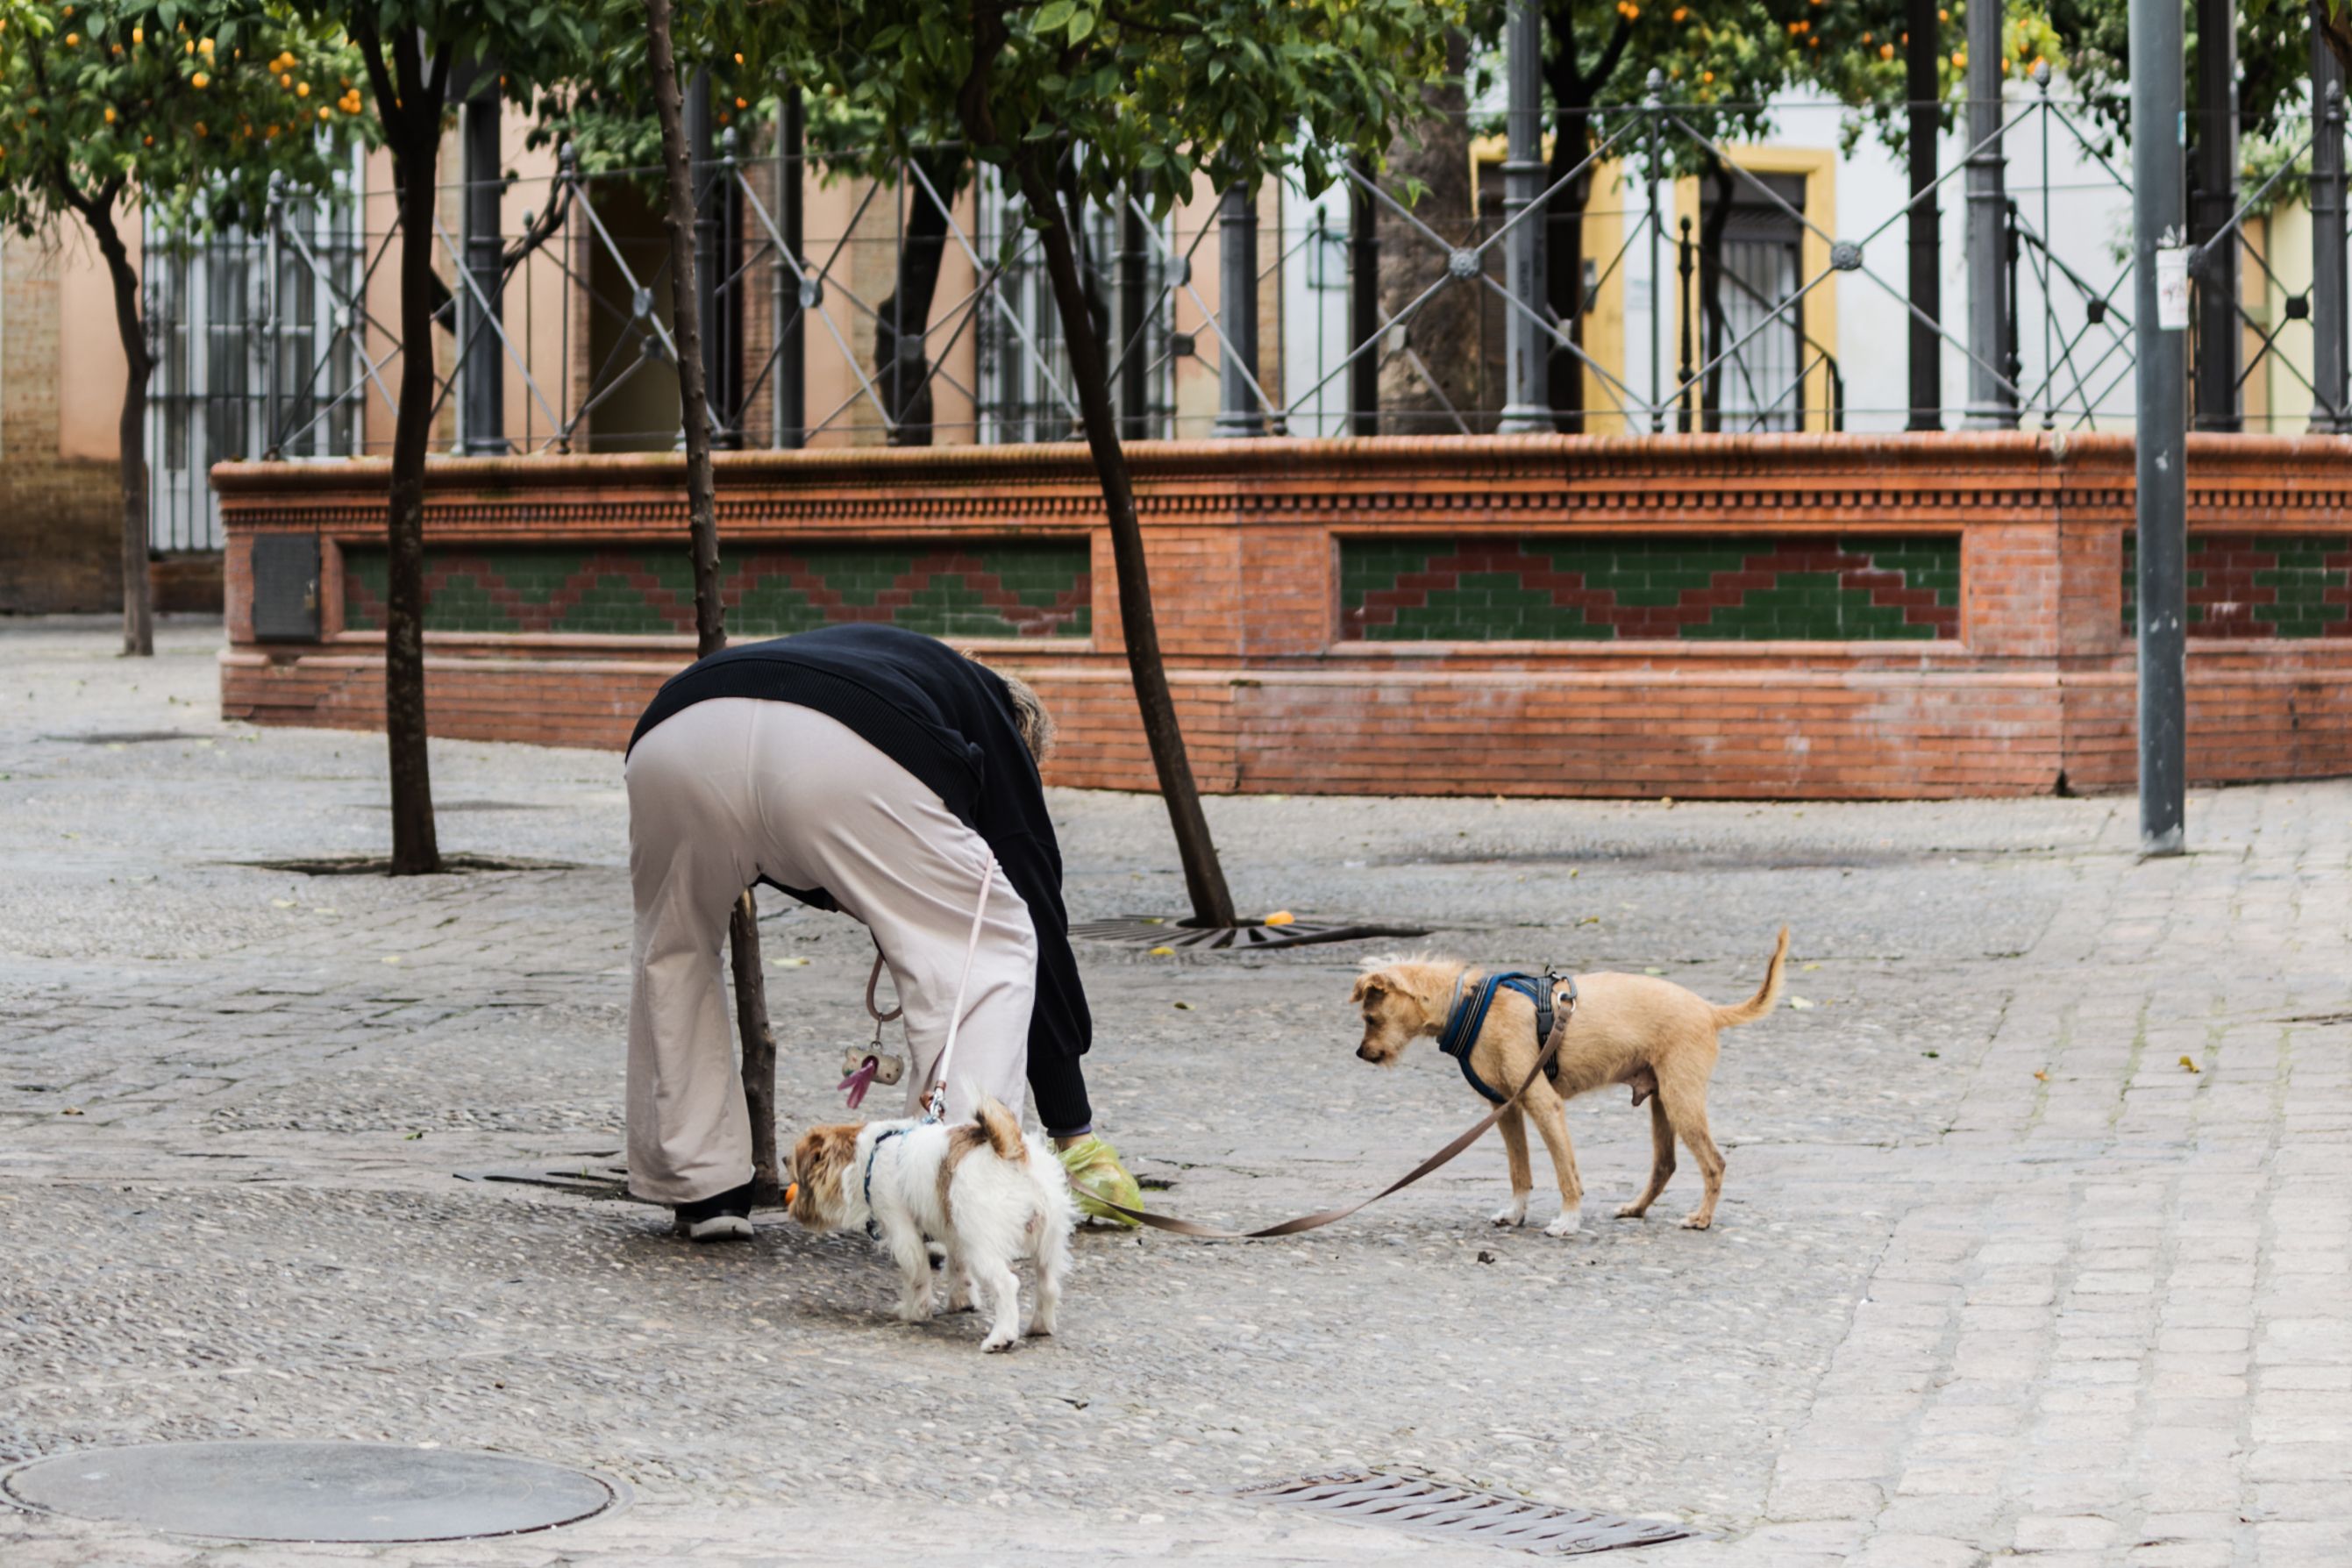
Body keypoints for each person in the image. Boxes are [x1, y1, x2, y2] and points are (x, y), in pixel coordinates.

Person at [621, 623, 1140, 1240]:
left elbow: (779, 839)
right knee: (991, 947)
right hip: (840, 745)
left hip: (675, 730)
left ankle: (702, 1189)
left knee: (672, 950)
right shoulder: (996, 722)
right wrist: (1071, 1129)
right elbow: (1032, 914)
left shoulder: (894, 662)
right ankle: (943, 1206)